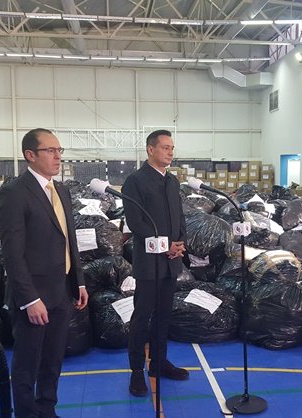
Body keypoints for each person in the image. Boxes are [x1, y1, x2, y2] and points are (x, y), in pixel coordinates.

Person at [0, 128, 89, 418]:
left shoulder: (61, 191)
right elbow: (12, 254)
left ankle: (47, 409)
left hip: (62, 291)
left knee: (53, 359)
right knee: (27, 364)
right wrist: (29, 299)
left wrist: (79, 282)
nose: (58, 156)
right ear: (30, 155)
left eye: (60, 150)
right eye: (50, 150)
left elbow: (69, 241)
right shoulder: (14, 193)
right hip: (33, 296)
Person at [122, 129, 189, 397]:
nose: (170, 152)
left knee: (163, 316)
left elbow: (179, 216)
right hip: (149, 263)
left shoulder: (172, 181)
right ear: (151, 150)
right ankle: (136, 370)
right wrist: (165, 246)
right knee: (142, 318)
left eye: (172, 148)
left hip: (171, 262)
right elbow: (136, 223)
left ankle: (158, 363)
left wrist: (180, 243)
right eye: (165, 147)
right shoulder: (135, 181)